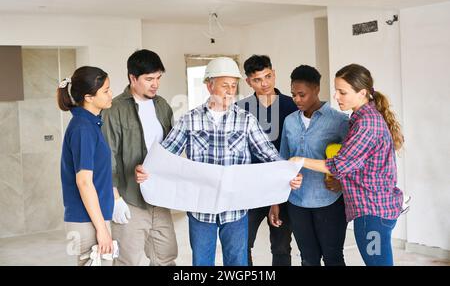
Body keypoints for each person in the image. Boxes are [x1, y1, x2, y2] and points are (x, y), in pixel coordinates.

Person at [136, 57, 302, 266]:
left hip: (235, 209)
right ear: (209, 85)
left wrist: (289, 173)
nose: (230, 91)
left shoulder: (246, 120)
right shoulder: (190, 119)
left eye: (234, 86)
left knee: (237, 264)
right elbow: (166, 154)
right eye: (225, 85)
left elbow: (269, 154)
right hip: (200, 208)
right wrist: (146, 171)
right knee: (202, 264)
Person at [289, 63, 404, 266]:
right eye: (336, 91)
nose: (336, 97)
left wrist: (301, 160)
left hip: (372, 213)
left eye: (342, 92)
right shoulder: (361, 118)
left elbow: (339, 165)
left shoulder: (366, 123)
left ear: (362, 93)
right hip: (373, 211)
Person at [102, 49, 178, 266]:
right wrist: (115, 199)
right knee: (128, 261)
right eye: (148, 79)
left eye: (158, 78)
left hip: (159, 197)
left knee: (166, 257)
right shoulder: (113, 109)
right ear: (132, 78)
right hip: (130, 199)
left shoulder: (162, 105)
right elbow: (108, 158)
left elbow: (170, 149)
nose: (155, 84)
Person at [269, 65, 349, 266]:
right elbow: (283, 161)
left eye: (302, 94)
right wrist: (275, 201)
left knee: (333, 258)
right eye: (293, 94)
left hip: (330, 201)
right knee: (308, 258)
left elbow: (351, 162)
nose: (297, 99)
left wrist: (342, 183)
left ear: (316, 89)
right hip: (297, 203)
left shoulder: (339, 121)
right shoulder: (290, 121)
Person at [236, 55, 297, 266]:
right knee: (242, 243)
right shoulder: (239, 110)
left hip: (282, 186)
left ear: (274, 73)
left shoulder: (292, 106)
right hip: (250, 187)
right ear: (248, 82)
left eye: (268, 76)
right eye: (257, 79)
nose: (265, 83)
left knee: (281, 245)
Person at [57, 66, 114, 266]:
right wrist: (102, 229)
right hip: (87, 221)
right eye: (105, 91)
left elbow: (99, 175)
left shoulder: (91, 124)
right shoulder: (83, 129)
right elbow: (84, 182)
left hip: (92, 217)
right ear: (89, 97)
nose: (110, 95)